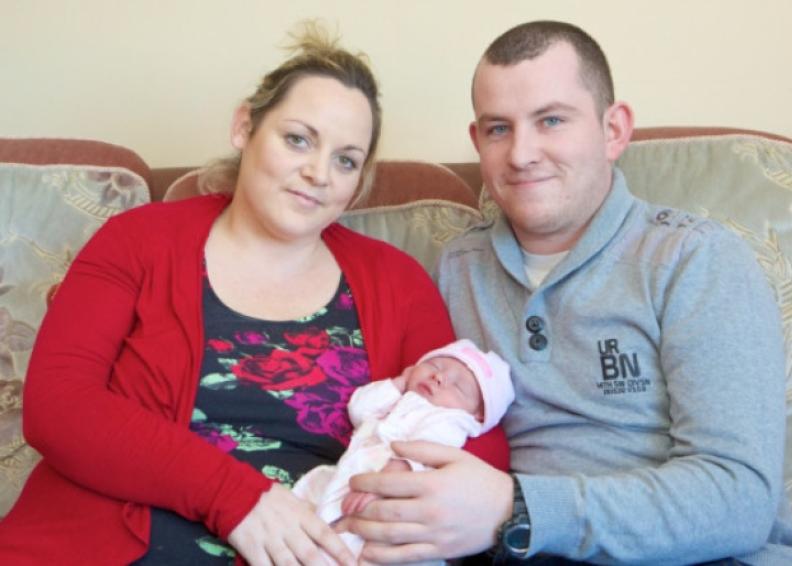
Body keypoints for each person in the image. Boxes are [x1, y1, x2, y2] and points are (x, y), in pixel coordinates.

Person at [0, 24, 508, 566]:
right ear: (245, 125)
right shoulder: (138, 240)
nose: (317, 173)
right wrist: (238, 498)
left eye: (345, 159)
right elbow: (58, 406)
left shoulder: (398, 282)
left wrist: (421, 505)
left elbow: (473, 427)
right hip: (110, 542)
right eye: (298, 139)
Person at [339, 20, 792, 565]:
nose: (521, 154)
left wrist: (519, 507)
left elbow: (738, 500)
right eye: (498, 129)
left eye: (551, 120)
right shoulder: (455, 269)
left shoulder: (695, 259)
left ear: (614, 130)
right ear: (477, 141)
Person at [293, 338, 514, 563]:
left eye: (458, 386)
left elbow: (425, 447)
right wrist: (398, 384)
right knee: (313, 498)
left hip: (390, 488)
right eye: (434, 366)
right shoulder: (401, 398)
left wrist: (385, 482)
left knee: (354, 542)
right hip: (351, 473)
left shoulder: (451, 419)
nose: (439, 377)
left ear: (478, 415)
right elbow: (359, 409)